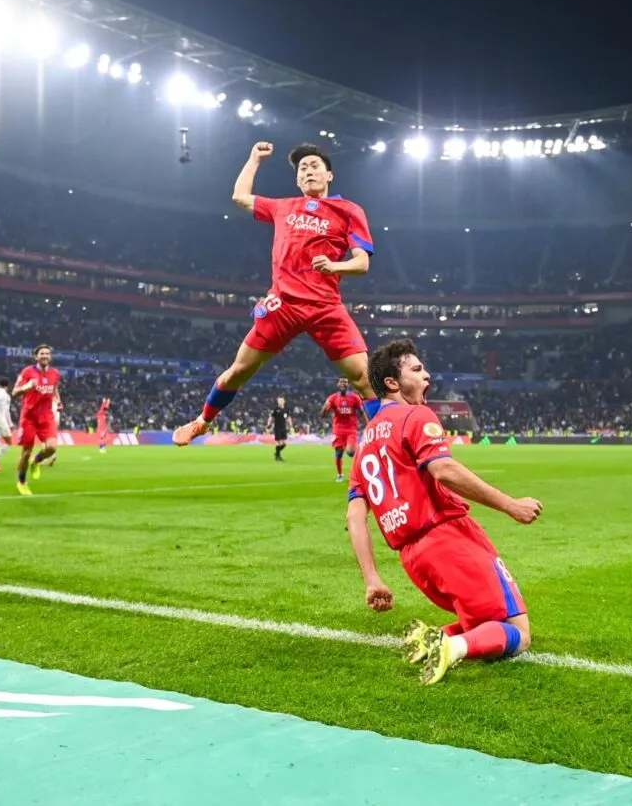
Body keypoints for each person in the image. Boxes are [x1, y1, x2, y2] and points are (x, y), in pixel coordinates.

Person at [346, 338, 543, 685]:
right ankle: (451, 648)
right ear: (392, 383)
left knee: (481, 616)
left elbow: (354, 517)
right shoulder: (415, 414)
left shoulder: (363, 447)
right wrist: (510, 505)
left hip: (412, 558)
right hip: (447, 538)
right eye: (417, 370)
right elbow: (445, 471)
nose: (428, 376)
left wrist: (372, 579)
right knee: (518, 631)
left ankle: (431, 637)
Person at [173, 142, 380, 446]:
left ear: (329, 175)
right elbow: (239, 196)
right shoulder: (284, 206)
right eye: (302, 169)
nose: (308, 170)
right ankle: (202, 421)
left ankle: (386, 441)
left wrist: (335, 265)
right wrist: (254, 158)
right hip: (283, 303)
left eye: (314, 165)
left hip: (326, 307)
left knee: (364, 379)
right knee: (239, 371)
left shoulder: (349, 210)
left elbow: (361, 263)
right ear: (297, 180)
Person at [13, 345, 60, 495]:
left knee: (52, 447)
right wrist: (27, 387)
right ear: (36, 357)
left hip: (46, 416)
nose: (45, 356)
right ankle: (22, 482)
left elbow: (54, 389)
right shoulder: (27, 372)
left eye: (47, 353)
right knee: (26, 452)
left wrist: (58, 400)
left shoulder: (55, 373)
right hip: (29, 417)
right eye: (42, 354)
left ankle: (36, 461)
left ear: (50, 357)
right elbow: (14, 392)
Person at [321, 376, 364, 482]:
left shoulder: (354, 397)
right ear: (338, 384)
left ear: (348, 384)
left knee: (350, 452)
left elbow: (361, 413)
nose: (343, 384)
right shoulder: (333, 398)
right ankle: (340, 475)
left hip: (351, 429)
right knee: (338, 453)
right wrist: (324, 409)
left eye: (345, 382)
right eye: (341, 382)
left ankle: (359, 453)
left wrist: (369, 425)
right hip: (338, 430)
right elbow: (323, 415)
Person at [270, 396, 292, 462]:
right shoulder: (275, 409)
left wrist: (290, 425)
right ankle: (278, 456)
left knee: (284, 443)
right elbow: (271, 417)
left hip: (283, 427)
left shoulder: (286, 410)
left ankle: (277, 453)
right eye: (279, 401)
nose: (280, 402)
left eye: (282, 400)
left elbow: (288, 418)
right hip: (277, 427)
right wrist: (269, 424)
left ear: (284, 401)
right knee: (279, 442)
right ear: (277, 401)